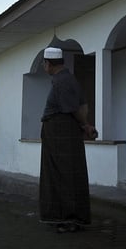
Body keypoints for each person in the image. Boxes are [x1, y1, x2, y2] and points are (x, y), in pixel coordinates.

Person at [39, 47, 97, 234]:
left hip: (61, 133)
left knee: (63, 174)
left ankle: (69, 218)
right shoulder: (66, 79)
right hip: (62, 133)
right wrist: (84, 125)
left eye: (44, 63)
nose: (44, 66)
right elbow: (83, 105)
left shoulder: (62, 81)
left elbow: (73, 108)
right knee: (66, 173)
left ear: (48, 64)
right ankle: (65, 217)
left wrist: (85, 125)